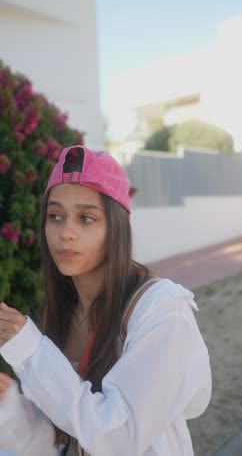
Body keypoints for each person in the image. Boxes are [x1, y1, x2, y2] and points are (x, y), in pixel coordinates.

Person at [0, 145, 211, 456]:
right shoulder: (66, 311)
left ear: (116, 228)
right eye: (55, 216)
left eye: (86, 218)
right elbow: (57, 441)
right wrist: (8, 405)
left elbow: (117, 439)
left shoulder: (162, 310)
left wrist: (31, 352)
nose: (66, 233)